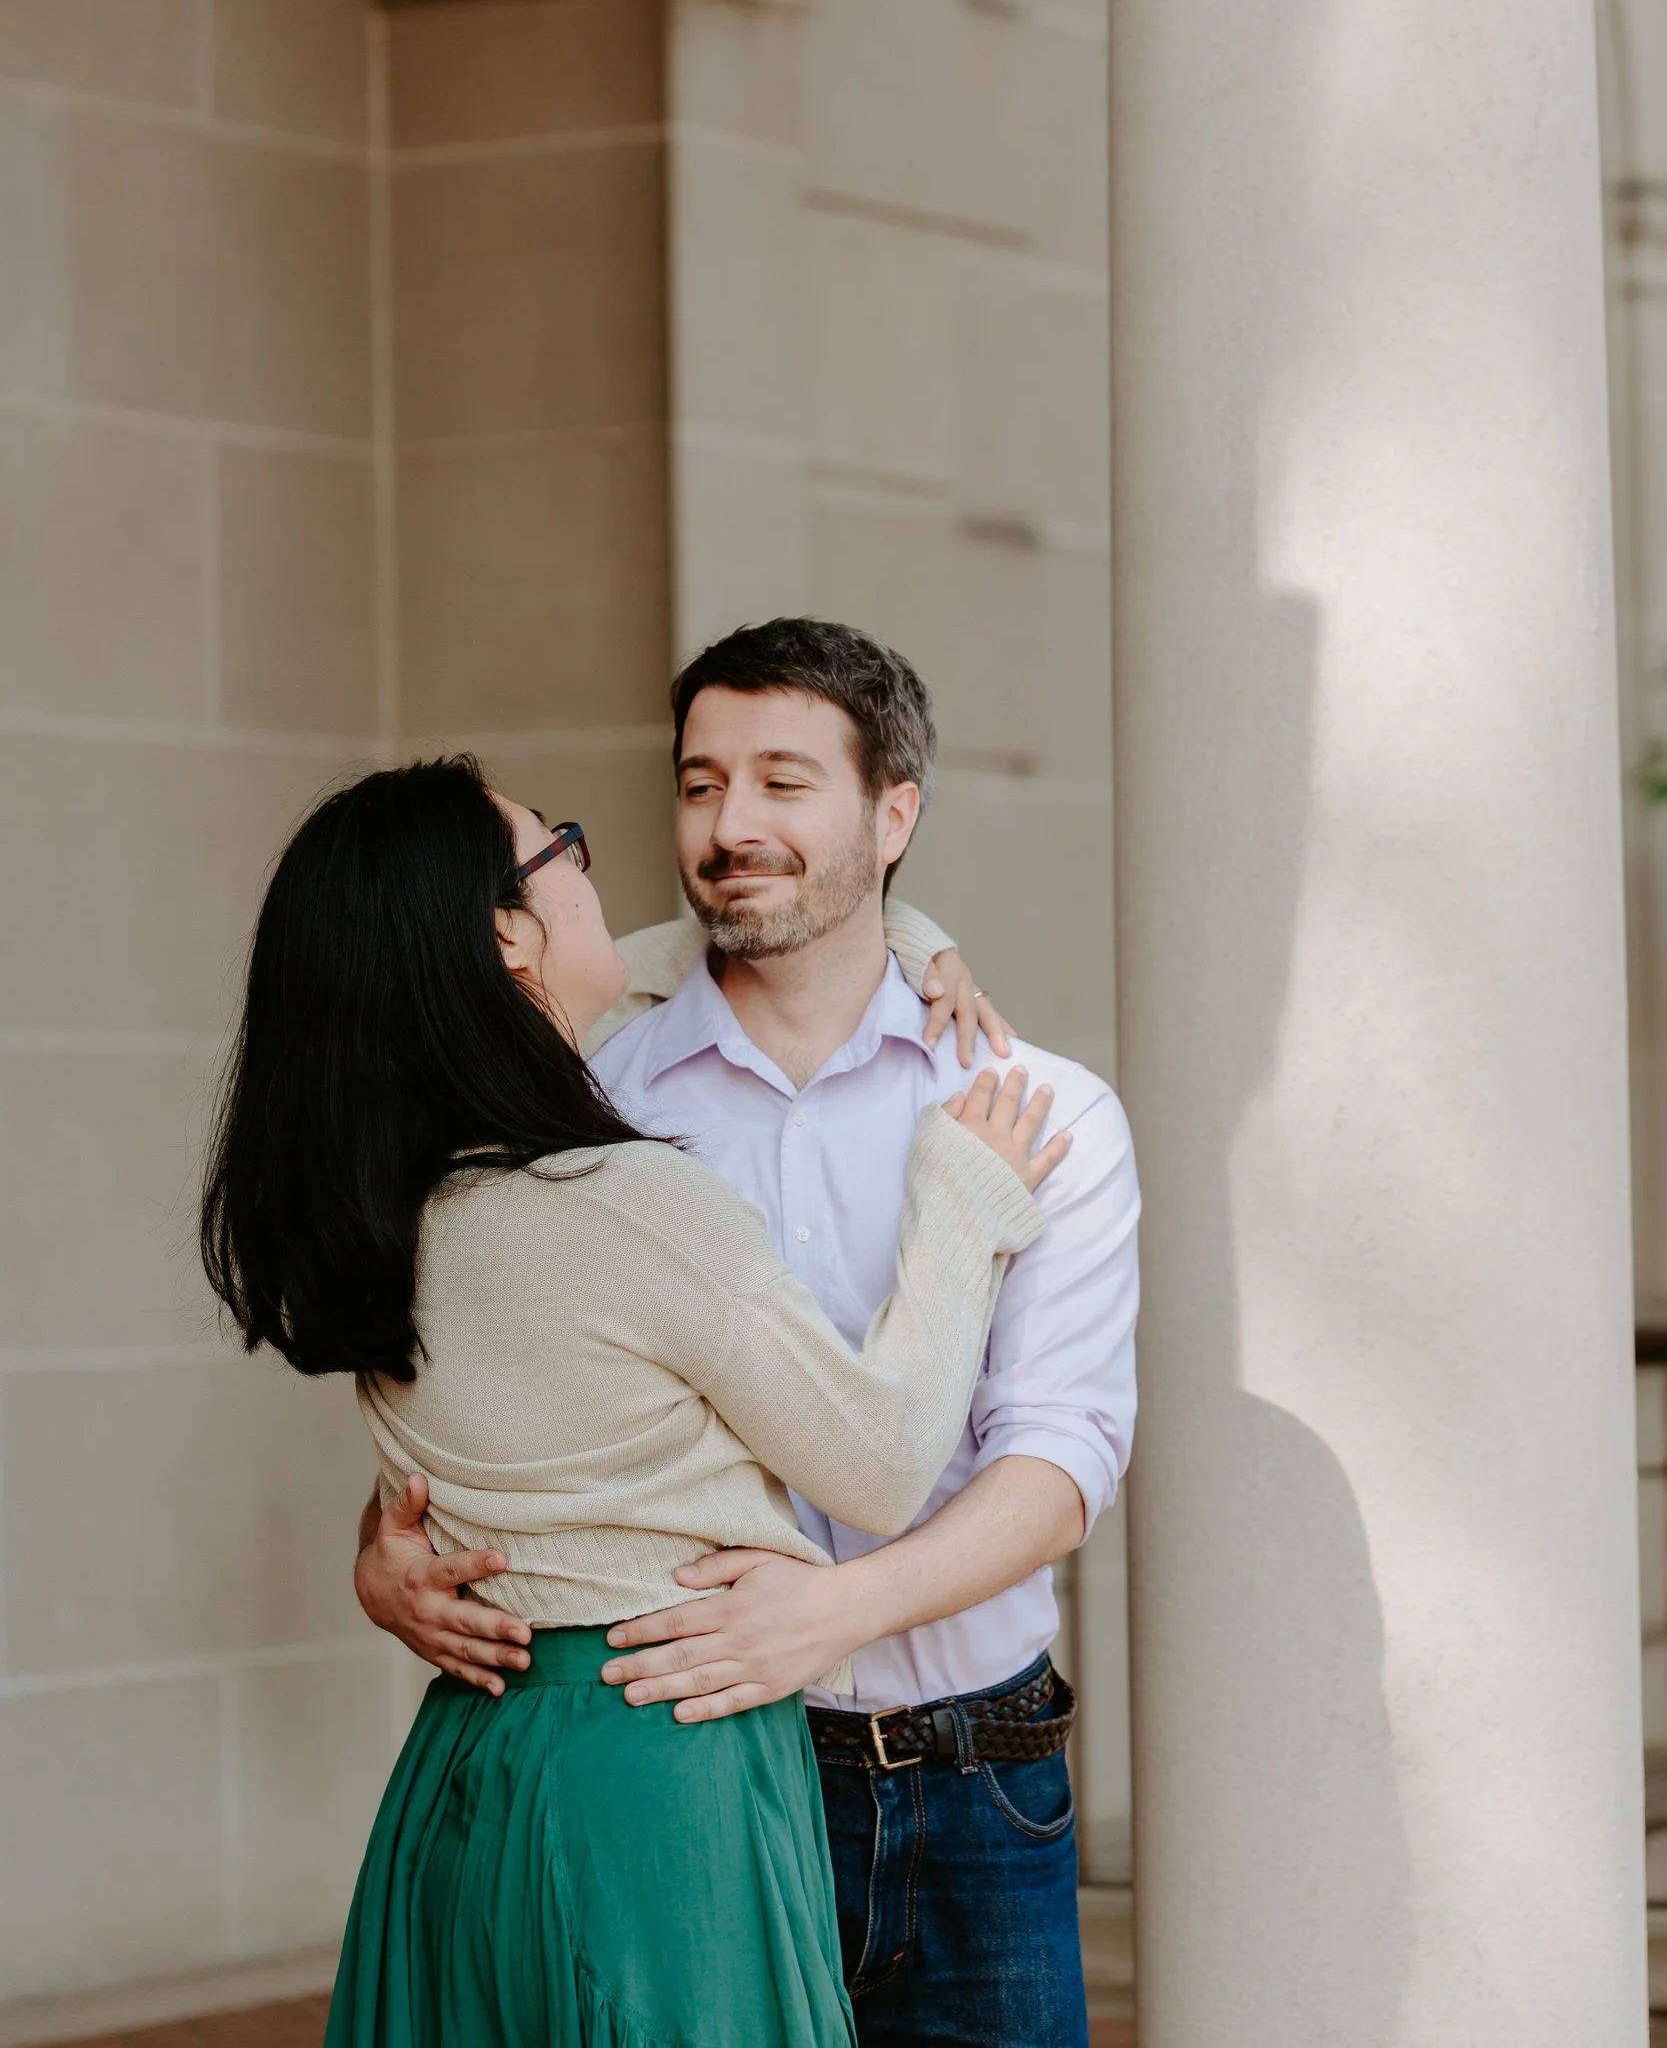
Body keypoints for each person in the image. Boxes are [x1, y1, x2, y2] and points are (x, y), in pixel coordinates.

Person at [200, 753, 1067, 2048]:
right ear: (508, 932)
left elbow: (696, 951)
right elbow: (883, 1462)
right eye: (563, 850)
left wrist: (915, 940)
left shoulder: (396, 1206)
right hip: (655, 1769)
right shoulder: (618, 1204)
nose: (595, 875)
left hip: (474, 1766)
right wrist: (960, 1199)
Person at [360, 619, 1140, 2047]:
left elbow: (1060, 1456)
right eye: (700, 783)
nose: (731, 827)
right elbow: (505, 1380)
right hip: (697, 1766)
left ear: (893, 815)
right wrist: (387, 1544)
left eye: (785, 782)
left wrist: (836, 1613)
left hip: (977, 1778)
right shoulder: (585, 1098)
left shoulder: (1037, 1111)